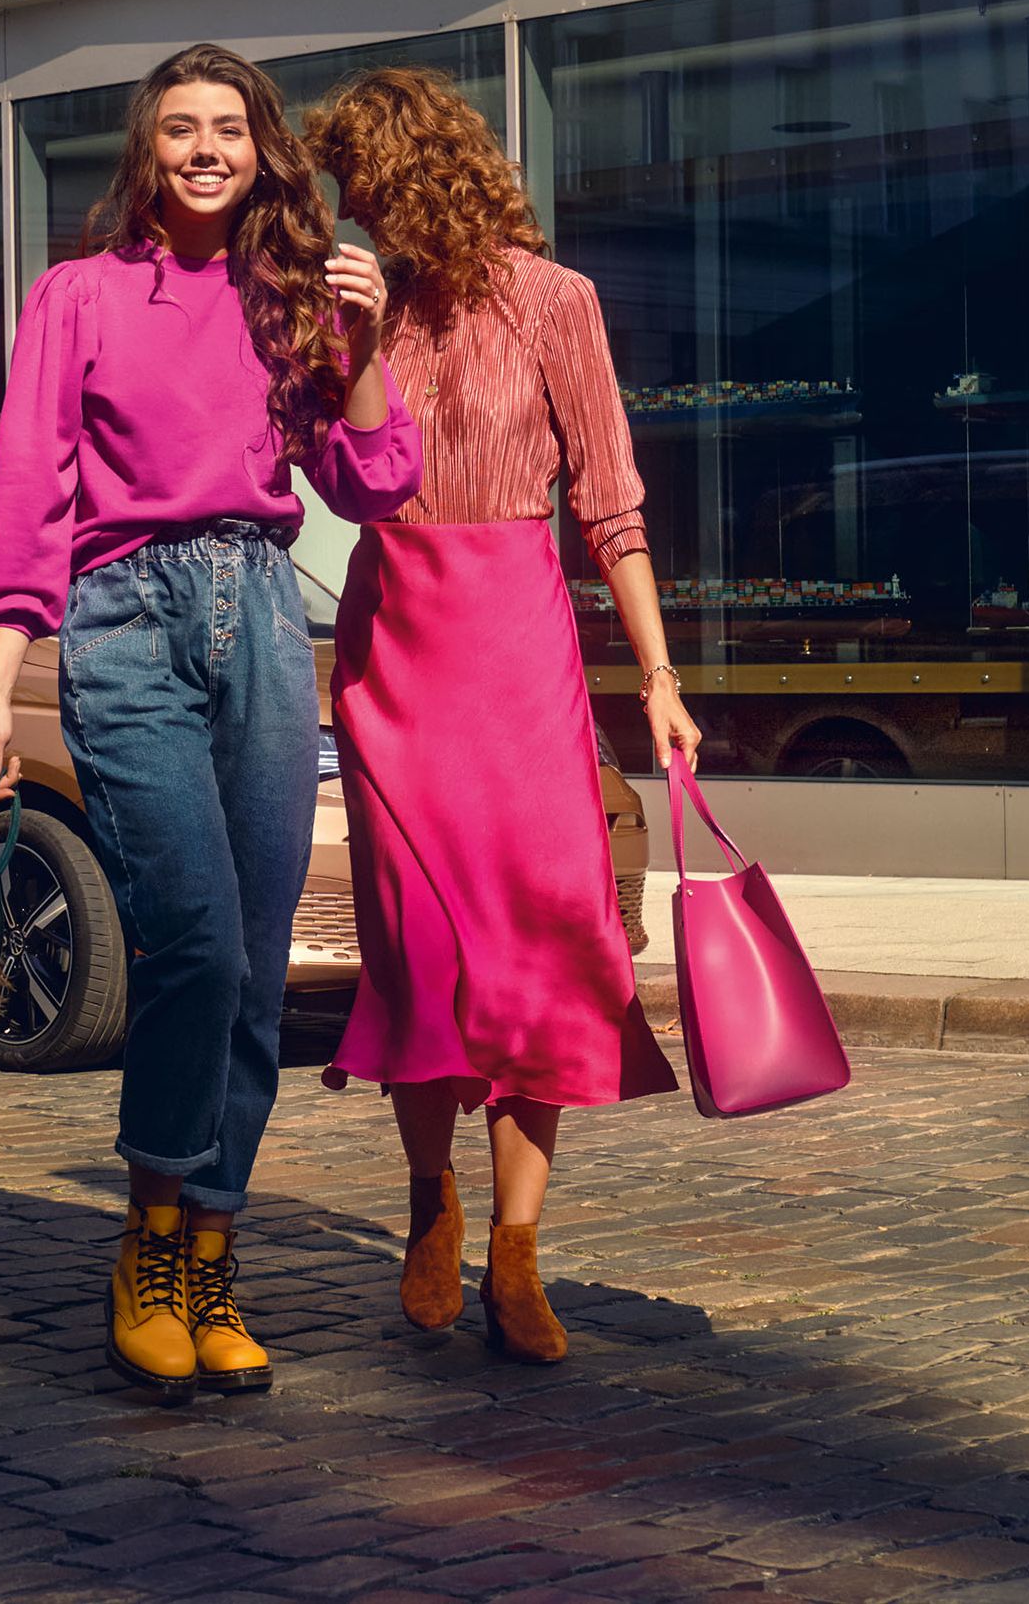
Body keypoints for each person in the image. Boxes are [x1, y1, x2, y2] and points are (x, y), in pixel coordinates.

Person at [0, 44, 421, 1400]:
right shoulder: (79, 294)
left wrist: (372, 342)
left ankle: (210, 1252)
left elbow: (374, 477)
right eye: (182, 129)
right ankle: (151, 1240)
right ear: (146, 150)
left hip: (265, 615)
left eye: (229, 128)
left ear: (260, 146)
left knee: (254, 961)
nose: (208, 148)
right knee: (196, 940)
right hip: (124, 621)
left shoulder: (292, 294)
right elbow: (29, 492)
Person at [301, 67, 701, 1363]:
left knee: (535, 949)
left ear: (410, 169)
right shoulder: (351, 310)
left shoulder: (554, 301)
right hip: (393, 647)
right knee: (417, 950)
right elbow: (347, 488)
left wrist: (657, 677)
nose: (343, 204)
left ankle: (519, 1254)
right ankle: (431, 1202)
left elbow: (614, 504)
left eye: (356, 177)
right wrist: (346, 349)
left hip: (519, 646)